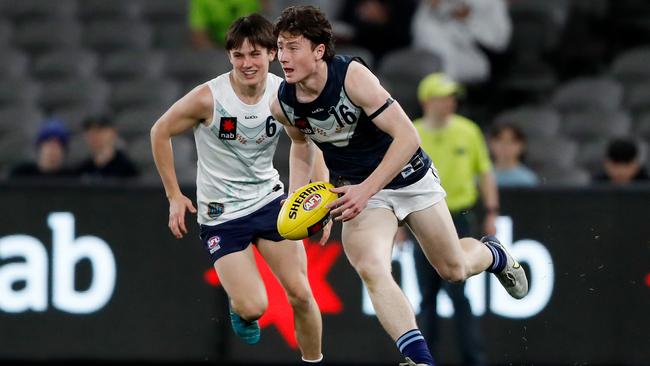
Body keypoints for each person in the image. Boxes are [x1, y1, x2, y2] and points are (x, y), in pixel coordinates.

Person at [271, 6, 528, 366]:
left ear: (318, 51)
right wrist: (304, 199)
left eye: (293, 46)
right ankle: (420, 359)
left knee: (453, 270)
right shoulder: (284, 101)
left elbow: (408, 136)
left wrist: (366, 189)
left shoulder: (352, 78)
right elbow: (302, 146)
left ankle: (494, 254)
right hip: (356, 190)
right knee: (371, 267)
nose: (283, 56)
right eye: (280, 46)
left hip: (409, 177)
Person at [150, 14, 324, 365]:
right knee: (255, 306)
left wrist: (309, 198)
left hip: (269, 201)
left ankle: (314, 361)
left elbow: (307, 143)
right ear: (229, 56)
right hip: (221, 215)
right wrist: (173, 195)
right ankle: (240, 308)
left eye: (255, 54)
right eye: (239, 55)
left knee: (302, 295)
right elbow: (160, 131)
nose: (248, 63)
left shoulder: (285, 94)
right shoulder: (208, 98)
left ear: (272, 54)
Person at [411, 72, 501, 365]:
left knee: (459, 293)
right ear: (428, 101)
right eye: (444, 97)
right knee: (427, 296)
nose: (451, 102)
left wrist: (491, 211)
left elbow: (484, 172)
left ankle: (474, 360)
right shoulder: (411, 131)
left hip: (459, 215)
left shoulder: (468, 130)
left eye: (452, 97)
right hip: (421, 217)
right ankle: (426, 360)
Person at [411, 0, 511, 84]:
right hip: (433, 53)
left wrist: (468, 18)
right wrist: (433, 8)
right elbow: (420, 33)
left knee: (439, 64)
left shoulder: (492, 3)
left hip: (479, 56)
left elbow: (500, 41)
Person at [76, 115, 139, 180]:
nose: (93, 134)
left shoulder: (127, 169)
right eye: (89, 130)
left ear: (113, 132)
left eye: (99, 129)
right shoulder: (83, 169)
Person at [9, 118, 75, 179]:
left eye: (58, 145)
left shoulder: (70, 177)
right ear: (40, 147)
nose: (53, 150)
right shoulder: (21, 173)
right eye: (49, 143)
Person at [189, 0, 263, 49]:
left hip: (251, 44)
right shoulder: (201, 2)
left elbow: (264, 19)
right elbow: (199, 34)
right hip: (218, 49)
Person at [488, 122, 539, 187]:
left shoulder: (528, 179)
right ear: (491, 143)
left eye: (511, 141)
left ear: (521, 146)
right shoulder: (479, 177)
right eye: (499, 140)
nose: (505, 145)